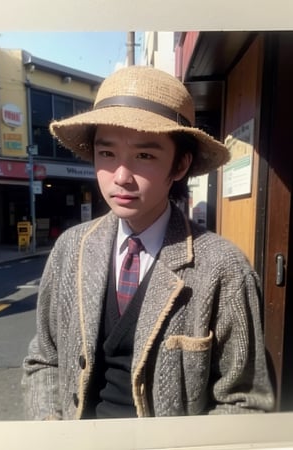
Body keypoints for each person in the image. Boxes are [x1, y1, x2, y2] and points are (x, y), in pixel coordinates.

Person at [22, 65, 274, 420]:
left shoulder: (223, 268)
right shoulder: (70, 249)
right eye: (106, 153)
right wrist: (51, 429)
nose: (121, 177)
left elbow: (245, 401)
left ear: (180, 165)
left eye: (145, 156)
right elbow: (44, 359)